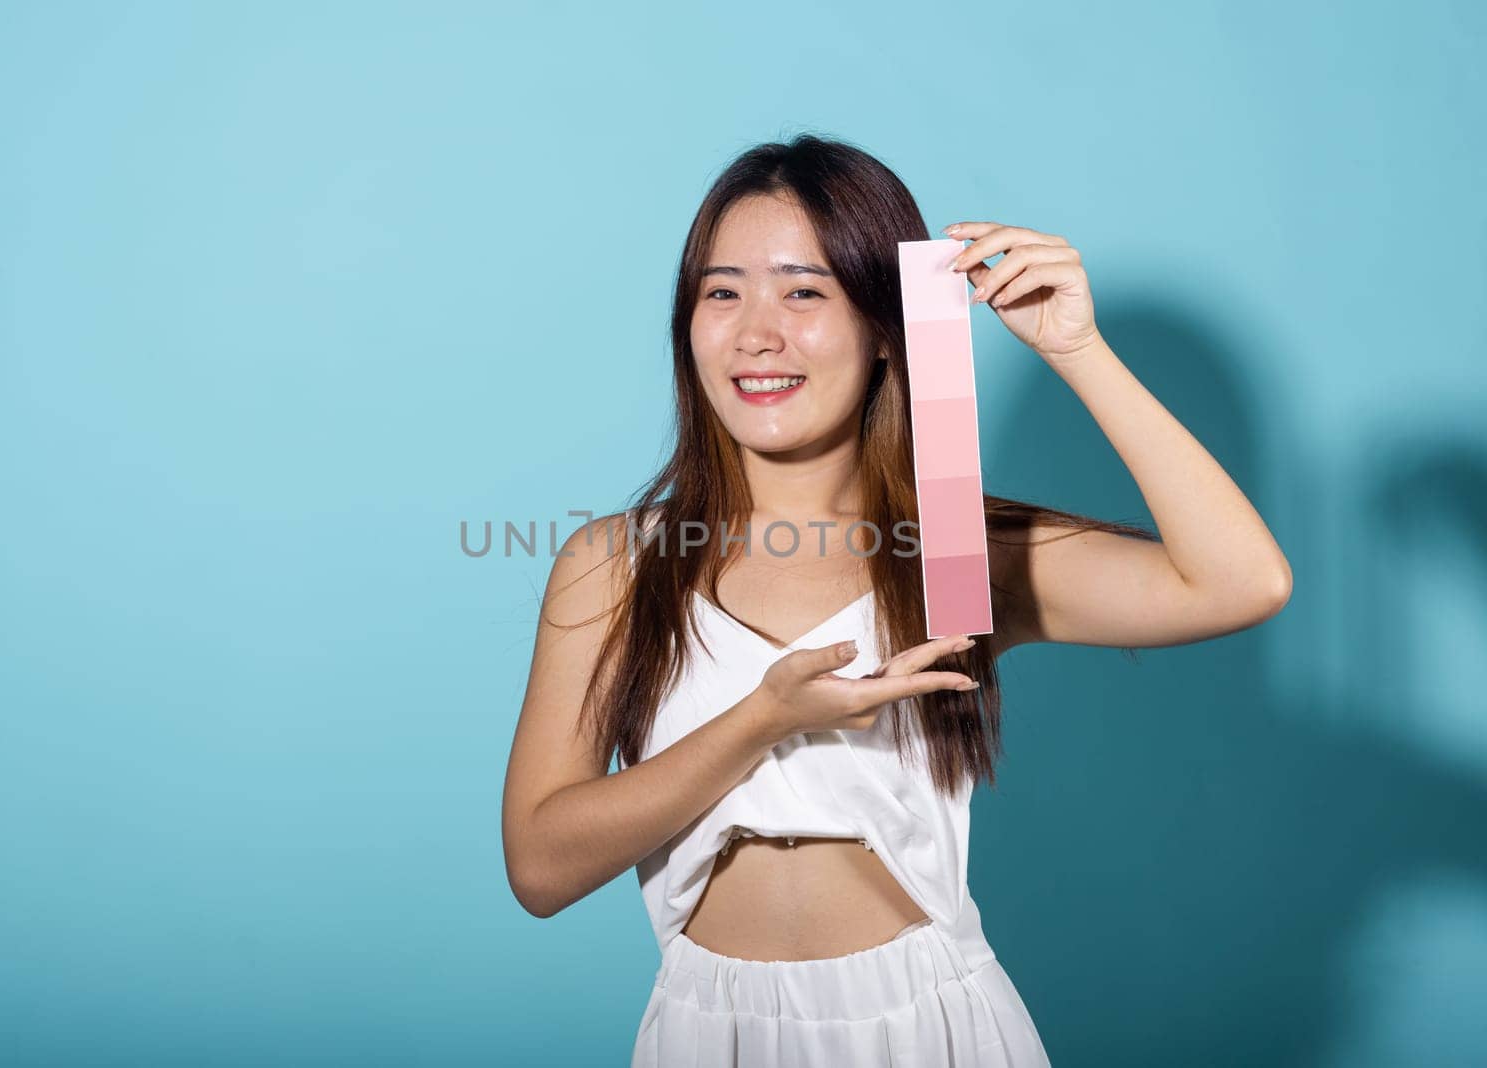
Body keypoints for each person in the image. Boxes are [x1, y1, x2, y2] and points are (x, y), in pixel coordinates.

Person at [500, 134, 1293, 1066]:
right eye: (723, 292)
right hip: (710, 1028)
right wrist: (763, 719)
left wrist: (1076, 350)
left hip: (925, 1026)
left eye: (805, 291)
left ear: (885, 327)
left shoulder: (952, 551)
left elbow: (1242, 582)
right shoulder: (621, 566)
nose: (758, 333)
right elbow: (541, 867)